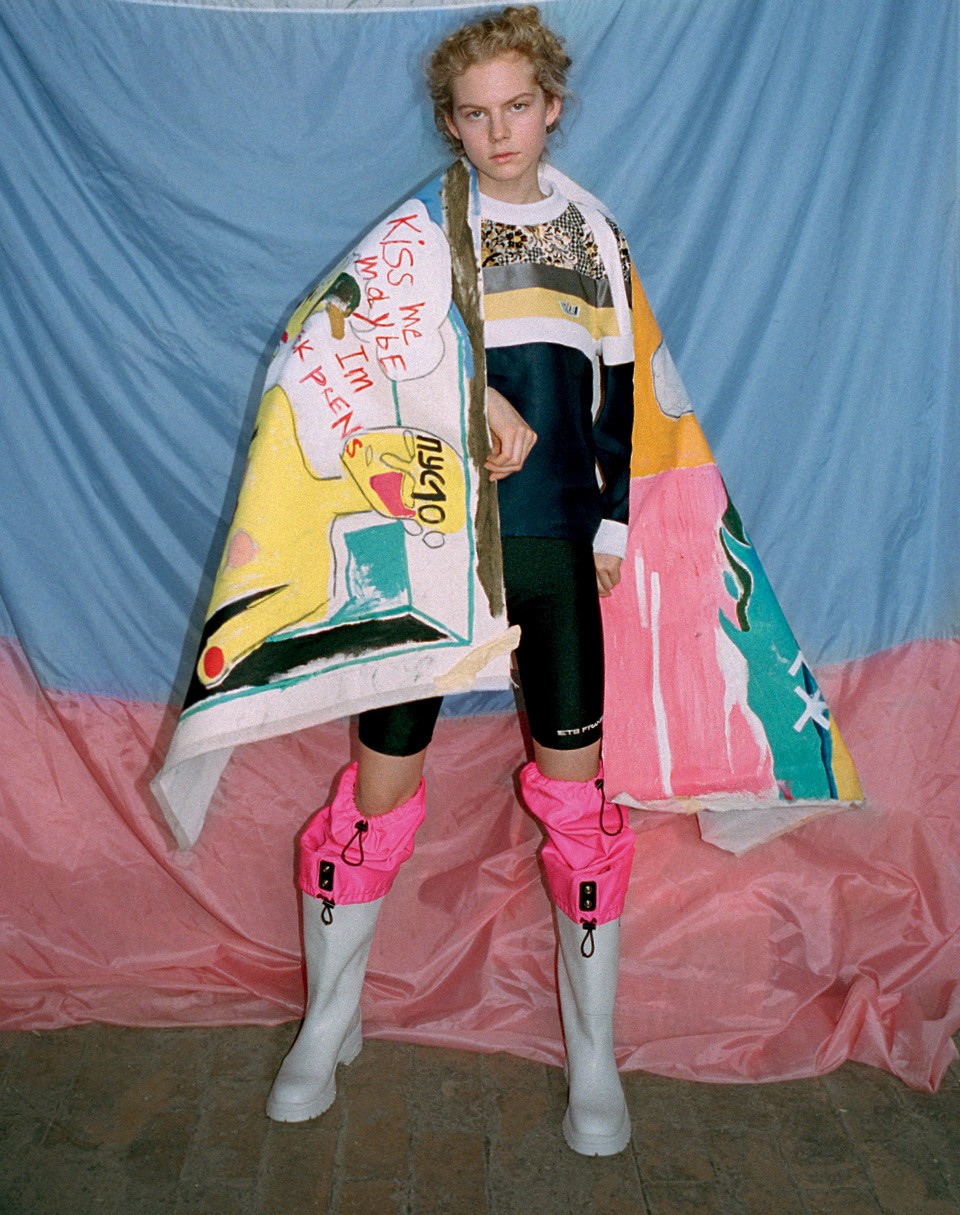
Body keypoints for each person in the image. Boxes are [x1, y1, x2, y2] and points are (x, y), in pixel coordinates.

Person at [265, 5, 636, 1157]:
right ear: (451, 124)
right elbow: (331, 349)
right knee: (376, 798)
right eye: (474, 115)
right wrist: (468, 390)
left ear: (552, 107)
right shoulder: (420, 231)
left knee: (580, 814)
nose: (498, 130)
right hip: (430, 550)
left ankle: (593, 1061)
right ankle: (328, 1025)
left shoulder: (594, 232)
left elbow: (623, 395)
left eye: (517, 106)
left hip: (555, 544)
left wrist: (614, 523)